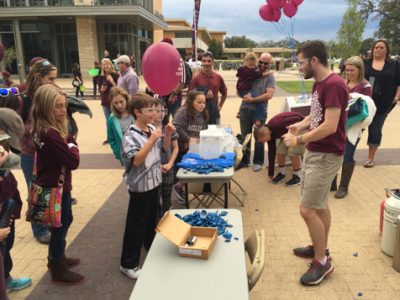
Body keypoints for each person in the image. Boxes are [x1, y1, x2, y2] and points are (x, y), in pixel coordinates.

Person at [283, 40, 348, 286]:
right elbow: (317, 113)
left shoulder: (333, 85)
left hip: (326, 154)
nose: (298, 66)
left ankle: (321, 262)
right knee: (319, 206)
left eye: (300, 62)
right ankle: (320, 247)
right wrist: (300, 124)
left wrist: (297, 139)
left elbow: (330, 126)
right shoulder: (320, 84)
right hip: (316, 152)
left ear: (313, 60)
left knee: (307, 210)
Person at [30, 84, 83, 285]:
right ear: (45, 107)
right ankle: (57, 268)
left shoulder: (40, 128)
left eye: (64, 105)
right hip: (57, 187)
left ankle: (56, 257)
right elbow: (73, 161)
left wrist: (67, 142)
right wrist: (71, 142)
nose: (63, 111)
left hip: (53, 183)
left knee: (64, 220)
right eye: (58, 107)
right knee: (61, 224)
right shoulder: (50, 134)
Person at [120, 92, 174, 280]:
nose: (154, 113)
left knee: (152, 219)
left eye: (155, 109)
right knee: (136, 225)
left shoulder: (152, 127)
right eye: (149, 110)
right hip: (140, 187)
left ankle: (150, 246)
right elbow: (136, 160)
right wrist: (151, 140)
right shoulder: (130, 135)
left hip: (155, 181)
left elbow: (163, 149)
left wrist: (166, 134)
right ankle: (128, 263)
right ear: (137, 112)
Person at [21, 59, 57, 244]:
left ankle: (48, 220)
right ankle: (39, 229)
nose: (53, 83)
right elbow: (16, 126)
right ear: (38, 77)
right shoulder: (24, 99)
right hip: (30, 153)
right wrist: (37, 128)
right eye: (50, 79)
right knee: (35, 190)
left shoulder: (49, 95)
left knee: (48, 188)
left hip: (48, 151)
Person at [0, 108, 32, 293]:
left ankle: (6, 278)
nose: (6, 151)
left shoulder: (5, 166)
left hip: (7, 214)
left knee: (6, 246)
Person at [333, 56, 374, 198]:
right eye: (347, 70)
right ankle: (332, 182)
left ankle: (344, 186)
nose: (349, 73)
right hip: (338, 124)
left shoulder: (365, 87)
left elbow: (364, 108)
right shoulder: (344, 83)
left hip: (353, 126)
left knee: (347, 154)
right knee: (334, 152)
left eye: (352, 70)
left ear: (360, 70)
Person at [363, 39, 400, 168]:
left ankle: (370, 158)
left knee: (375, 129)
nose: (378, 49)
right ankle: (348, 154)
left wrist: (396, 97)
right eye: (376, 47)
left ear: (387, 50)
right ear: (372, 49)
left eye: (381, 47)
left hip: (384, 103)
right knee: (357, 128)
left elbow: (398, 83)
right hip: (364, 102)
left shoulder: (394, 64)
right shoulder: (365, 63)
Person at [237, 52, 276, 172]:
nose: (263, 65)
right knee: (245, 136)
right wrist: (243, 95)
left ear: (270, 64)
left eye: (266, 63)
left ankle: (258, 161)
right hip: (245, 108)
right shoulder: (250, 71)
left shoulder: (269, 77)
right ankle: (245, 160)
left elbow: (269, 95)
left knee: (259, 136)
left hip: (259, 110)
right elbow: (239, 91)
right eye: (261, 62)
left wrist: (252, 99)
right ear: (258, 60)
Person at [172, 90, 208, 203]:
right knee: (183, 170)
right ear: (191, 101)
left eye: (204, 102)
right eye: (199, 102)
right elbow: (176, 126)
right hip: (181, 147)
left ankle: (179, 187)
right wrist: (188, 138)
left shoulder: (202, 113)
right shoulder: (183, 111)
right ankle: (177, 188)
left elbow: (203, 129)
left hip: (193, 148)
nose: (202, 105)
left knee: (192, 168)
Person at [254, 111, 305, 186]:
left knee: (292, 152)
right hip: (288, 133)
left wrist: (291, 131)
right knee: (280, 151)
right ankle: (282, 173)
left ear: (265, 134)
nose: (264, 142)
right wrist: (270, 173)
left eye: (263, 140)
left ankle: (297, 176)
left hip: (300, 127)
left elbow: (297, 117)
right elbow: (271, 152)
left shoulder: (276, 124)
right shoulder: (269, 137)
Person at [153, 98, 179, 215]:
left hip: (168, 170)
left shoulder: (169, 127)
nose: (161, 114)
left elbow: (175, 148)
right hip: (153, 171)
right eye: (157, 111)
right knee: (154, 201)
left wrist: (171, 163)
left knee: (167, 199)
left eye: (163, 110)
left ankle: (167, 223)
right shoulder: (148, 129)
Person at [189, 51, 227, 124]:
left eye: (209, 61)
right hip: (199, 115)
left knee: (215, 135)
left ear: (213, 62)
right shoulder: (196, 78)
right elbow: (190, 96)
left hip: (214, 114)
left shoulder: (218, 77)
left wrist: (220, 106)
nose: (206, 63)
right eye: (204, 61)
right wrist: (204, 96)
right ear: (201, 62)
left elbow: (224, 93)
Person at [236, 52, 272, 125]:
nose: (252, 67)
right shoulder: (248, 71)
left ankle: (240, 112)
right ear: (245, 63)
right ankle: (258, 118)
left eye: (254, 65)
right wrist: (268, 73)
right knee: (258, 100)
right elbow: (258, 74)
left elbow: (269, 95)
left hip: (242, 90)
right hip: (243, 90)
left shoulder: (246, 69)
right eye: (250, 65)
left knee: (250, 97)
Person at [160, 37, 192, 119]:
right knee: (163, 120)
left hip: (175, 96)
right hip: (163, 96)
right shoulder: (161, 60)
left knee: (176, 120)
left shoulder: (179, 60)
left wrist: (173, 94)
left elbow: (182, 81)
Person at [107, 87, 135, 165]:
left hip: (140, 153)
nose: (119, 105)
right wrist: (118, 153)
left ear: (126, 99)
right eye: (115, 103)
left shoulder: (135, 113)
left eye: (121, 101)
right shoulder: (112, 119)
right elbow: (111, 138)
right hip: (125, 156)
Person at [98, 58, 120, 145]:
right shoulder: (101, 77)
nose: (105, 66)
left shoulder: (116, 75)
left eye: (107, 64)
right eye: (103, 64)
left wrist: (112, 81)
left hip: (114, 101)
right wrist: (102, 90)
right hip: (105, 102)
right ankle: (109, 138)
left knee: (116, 119)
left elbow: (119, 89)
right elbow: (99, 89)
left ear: (111, 65)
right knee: (108, 121)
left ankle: (117, 136)